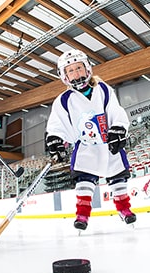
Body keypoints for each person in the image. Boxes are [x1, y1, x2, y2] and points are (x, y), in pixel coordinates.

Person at [45, 49, 136, 231]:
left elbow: (115, 111)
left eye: (78, 68)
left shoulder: (103, 89)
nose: (75, 73)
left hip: (108, 143)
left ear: (87, 69)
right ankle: (82, 215)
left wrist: (118, 128)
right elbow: (57, 124)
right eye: (70, 70)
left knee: (118, 178)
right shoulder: (63, 100)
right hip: (86, 146)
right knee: (84, 181)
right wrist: (55, 139)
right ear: (64, 76)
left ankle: (124, 210)